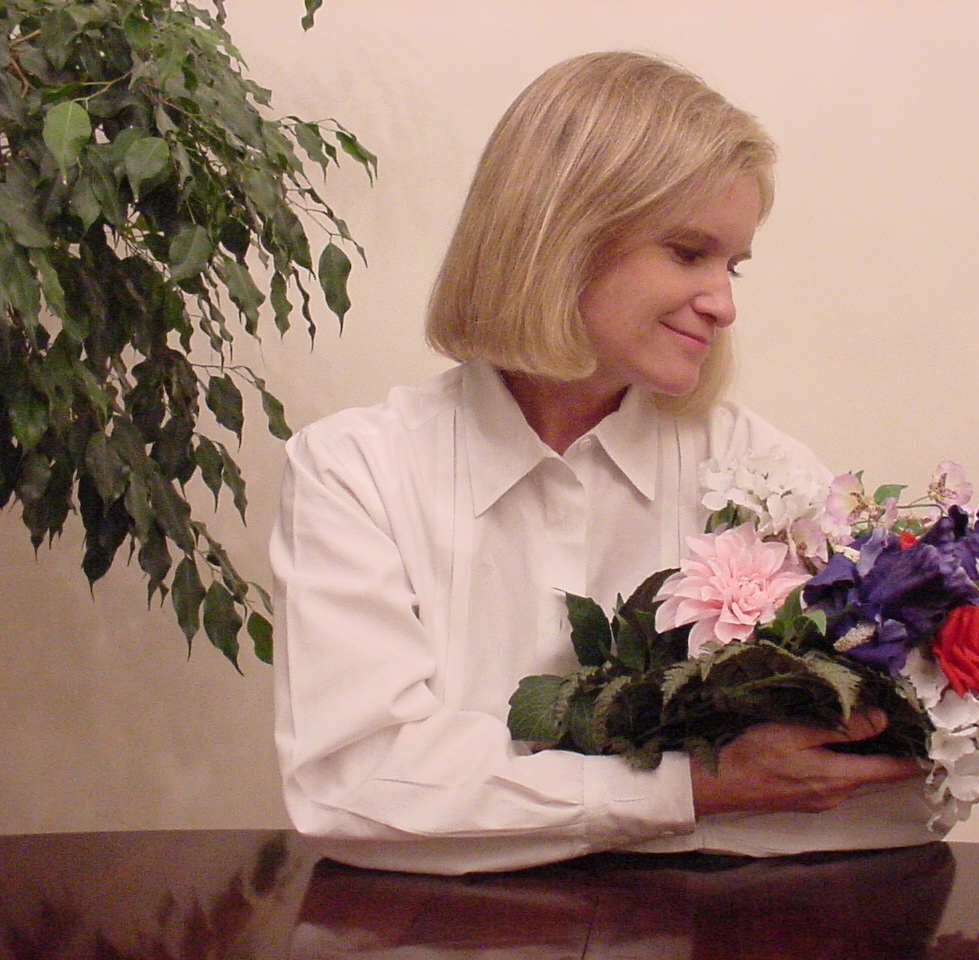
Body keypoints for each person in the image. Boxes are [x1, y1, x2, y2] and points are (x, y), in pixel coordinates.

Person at [271, 51, 942, 876]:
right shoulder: (356, 472)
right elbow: (353, 787)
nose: (725, 303)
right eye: (689, 252)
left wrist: (480, 801)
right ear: (560, 234)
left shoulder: (758, 469)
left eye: (732, 265)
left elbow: (896, 797)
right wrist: (694, 790)